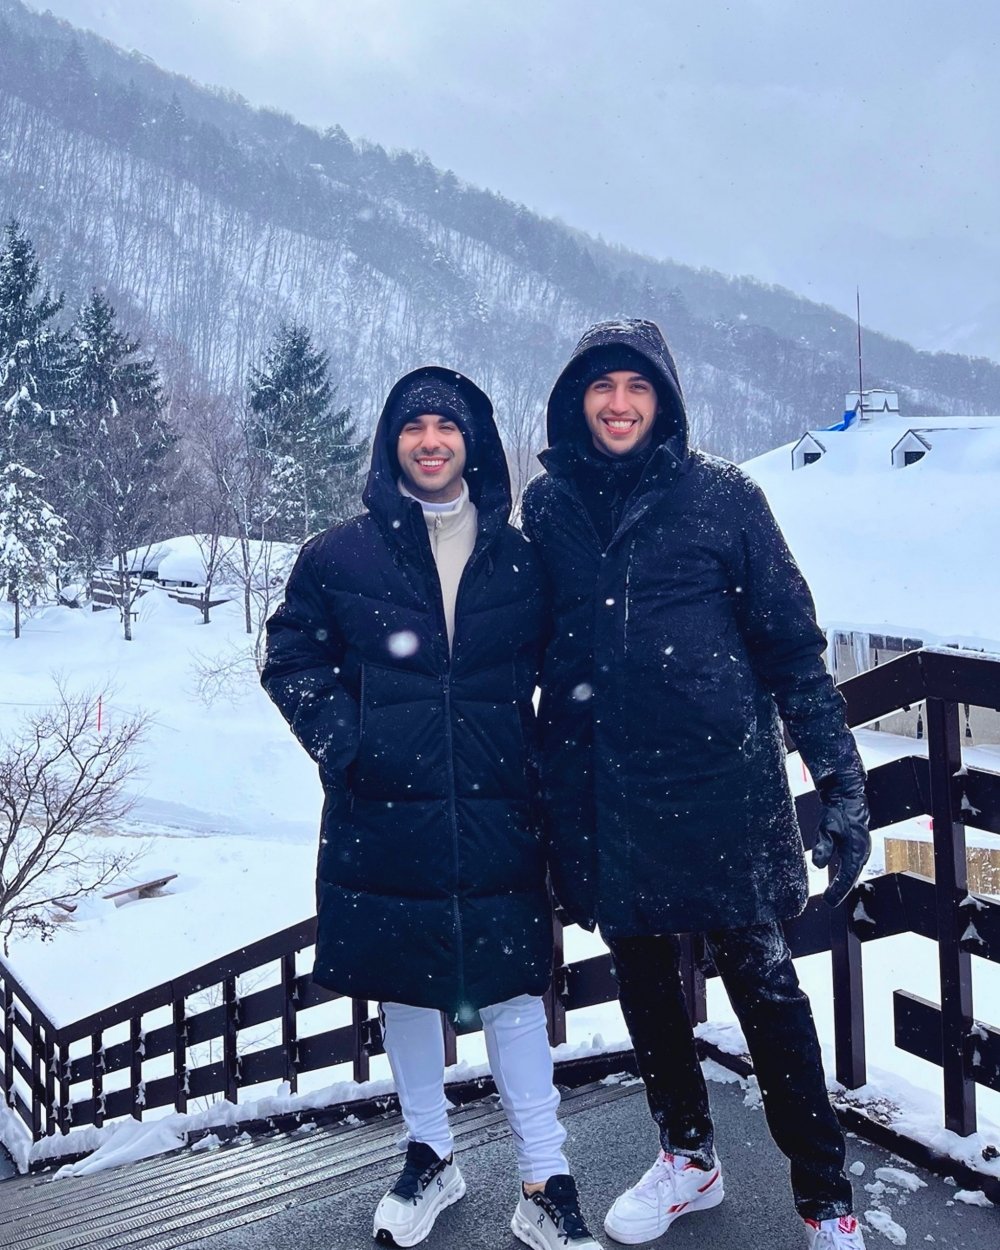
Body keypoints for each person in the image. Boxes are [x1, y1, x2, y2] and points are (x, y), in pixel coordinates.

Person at [520, 320, 872, 1250]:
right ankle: (687, 1155)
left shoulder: (725, 498)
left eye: (637, 387)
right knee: (642, 980)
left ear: (665, 400)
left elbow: (793, 651)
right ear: (576, 400)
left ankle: (826, 1200)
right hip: (605, 794)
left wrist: (839, 777)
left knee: (766, 993)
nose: (619, 404)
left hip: (722, 794)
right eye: (602, 386)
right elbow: (523, 641)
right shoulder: (548, 507)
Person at [261, 366, 600, 1249]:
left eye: (447, 426)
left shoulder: (519, 559)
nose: (431, 440)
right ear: (392, 443)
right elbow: (290, 656)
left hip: (499, 809)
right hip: (386, 813)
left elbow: (567, 676)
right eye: (414, 426)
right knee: (405, 989)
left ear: (472, 442)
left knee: (515, 990)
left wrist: (545, 767)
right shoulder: (340, 556)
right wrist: (349, 744)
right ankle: (429, 1153)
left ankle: (546, 1177)